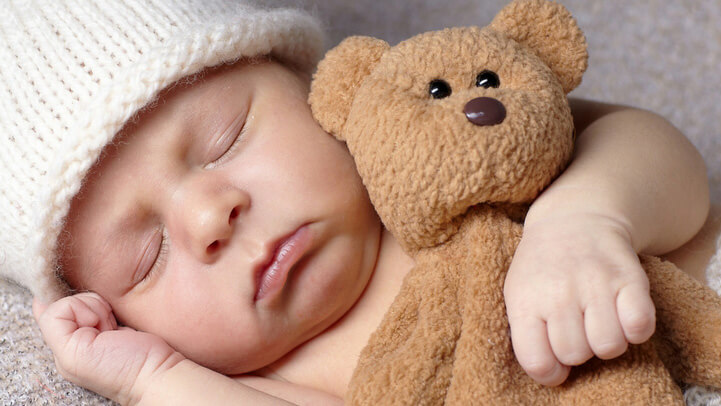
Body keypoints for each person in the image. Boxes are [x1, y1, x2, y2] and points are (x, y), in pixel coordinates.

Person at [0, 0, 710, 404]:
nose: (209, 216)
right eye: (144, 257)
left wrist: (583, 220)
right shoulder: (271, 379)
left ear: (316, 88)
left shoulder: (430, 146)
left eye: (223, 138)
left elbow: (663, 163)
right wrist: (154, 378)